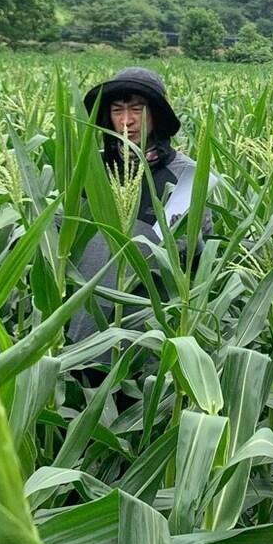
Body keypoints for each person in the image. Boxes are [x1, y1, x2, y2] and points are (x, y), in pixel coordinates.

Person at [67, 66, 212, 344]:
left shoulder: (186, 177)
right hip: (81, 332)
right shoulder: (91, 169)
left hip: (143, 338)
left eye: (137, 109)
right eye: (117, 110)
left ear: (156, 115)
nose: (126, 121)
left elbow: (192, 257)